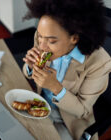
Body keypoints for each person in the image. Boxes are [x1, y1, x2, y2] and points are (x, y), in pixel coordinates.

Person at [22, 0, 111, 140]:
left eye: (51, 41)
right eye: (39, 36)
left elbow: (82, 110)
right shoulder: (44, 37)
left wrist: (55, 87)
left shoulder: (100, 63)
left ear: (74, 38)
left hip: (68, 122)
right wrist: (30, 67)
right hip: (40, 104)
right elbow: (29, 74)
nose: (42, 46)